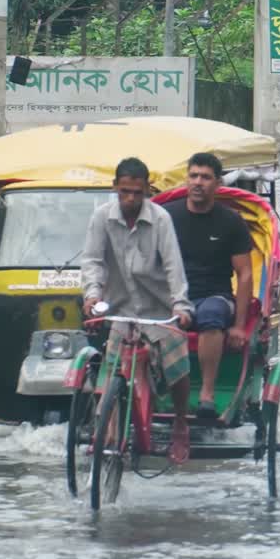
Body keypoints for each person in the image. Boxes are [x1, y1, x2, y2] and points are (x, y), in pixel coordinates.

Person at [81, 158, 195, 463]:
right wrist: (92, 296)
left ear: (146, 189)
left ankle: (181, 422)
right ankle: (108, 427)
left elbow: (174, 267)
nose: (130, 199)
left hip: (158, 309)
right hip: (120, 309)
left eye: (136, 192)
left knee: (177, 362)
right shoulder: (101, 218)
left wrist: (180, 306)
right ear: (115, 188)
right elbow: (93, 262)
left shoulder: (160, 219)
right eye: (124, 192)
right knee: (110, 371)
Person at [162, 152, 253, 421]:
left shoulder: (230, 221)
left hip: (215, 295)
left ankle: (207, 394)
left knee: (211, 315)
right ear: (186, 180)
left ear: (218, 184)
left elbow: (245, 274)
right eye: (193, 176)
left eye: (205, 177)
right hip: (174, 296)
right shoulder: (167, 217)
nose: (198, 182)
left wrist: (238, 325)